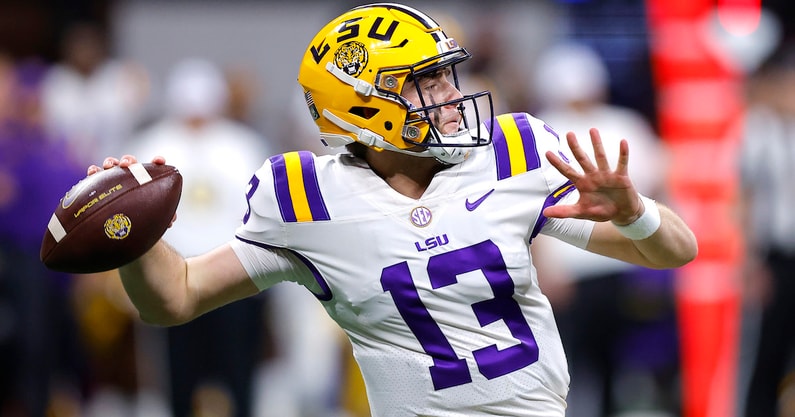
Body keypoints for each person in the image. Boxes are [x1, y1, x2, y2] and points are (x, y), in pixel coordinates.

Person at [86, 4, 698, 416]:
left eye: (448, 79)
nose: (452, 97)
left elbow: (675, 250)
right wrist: (132, 236)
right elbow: (177, 297)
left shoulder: (512, 154)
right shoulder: (306, 198)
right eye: (426, 83)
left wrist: (633, 210)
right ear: (360, 104)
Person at [530, 42, 679, 416]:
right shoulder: (539, 129)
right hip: (572, 268)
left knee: (624, 364)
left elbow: (655, 188)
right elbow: (529, 210)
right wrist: (544, 268)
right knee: (568, 366)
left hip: (620, 264)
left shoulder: (624, 123)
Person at [738, 40, 795, 417]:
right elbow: (745, 198)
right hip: (779, 256)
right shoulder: (758, 130)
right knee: (769, 350)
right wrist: (749, 262)